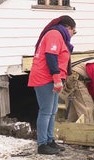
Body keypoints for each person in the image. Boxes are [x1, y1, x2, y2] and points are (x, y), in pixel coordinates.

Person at [28, 15, 76, 155]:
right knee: (46, 111)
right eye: (74, 31)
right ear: (68, 27)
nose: (73, 34)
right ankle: (42, 144)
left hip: (52, 78)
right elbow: (51, 56)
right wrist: (56, 78)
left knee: (53, 110)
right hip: (45, 78)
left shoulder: (59, 35)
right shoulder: (55, 34)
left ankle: (50, 140)